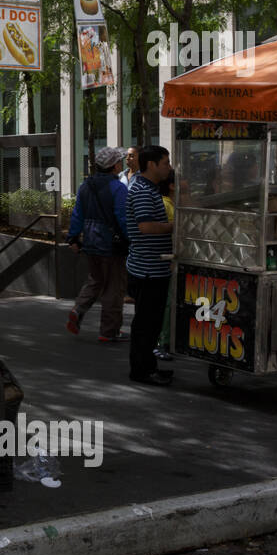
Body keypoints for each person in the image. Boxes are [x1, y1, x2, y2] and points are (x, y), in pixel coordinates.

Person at [66, 146, 129, 342]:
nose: (122, 163)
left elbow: (77, 214)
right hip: (112, 245)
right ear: (114, 166)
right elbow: (123, 218)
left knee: (95, 281)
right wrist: (132, 239)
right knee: (113, 288)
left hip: (90, 242)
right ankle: (109, 332)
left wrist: (73, 238)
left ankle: (78, 309)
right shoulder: (118, 188)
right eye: (120, 161)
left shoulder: (85, 186)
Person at [125, 146, 175, 385]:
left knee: (150, 322)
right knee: (146, 323)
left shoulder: (147, 188)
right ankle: (142, 371)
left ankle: (147, 366)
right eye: (165, 163)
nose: (169, 167)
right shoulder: (143, 191)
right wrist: (175, 227)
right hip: (148, 268)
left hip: (150, 266)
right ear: (152, 165)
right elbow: (146, 227)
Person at [154, 170, 177, 360]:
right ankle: (162, 342)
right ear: (172, 185)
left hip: (171, 261)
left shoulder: (173, 204)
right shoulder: (166, 205)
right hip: (167, 262)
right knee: (167, 303)